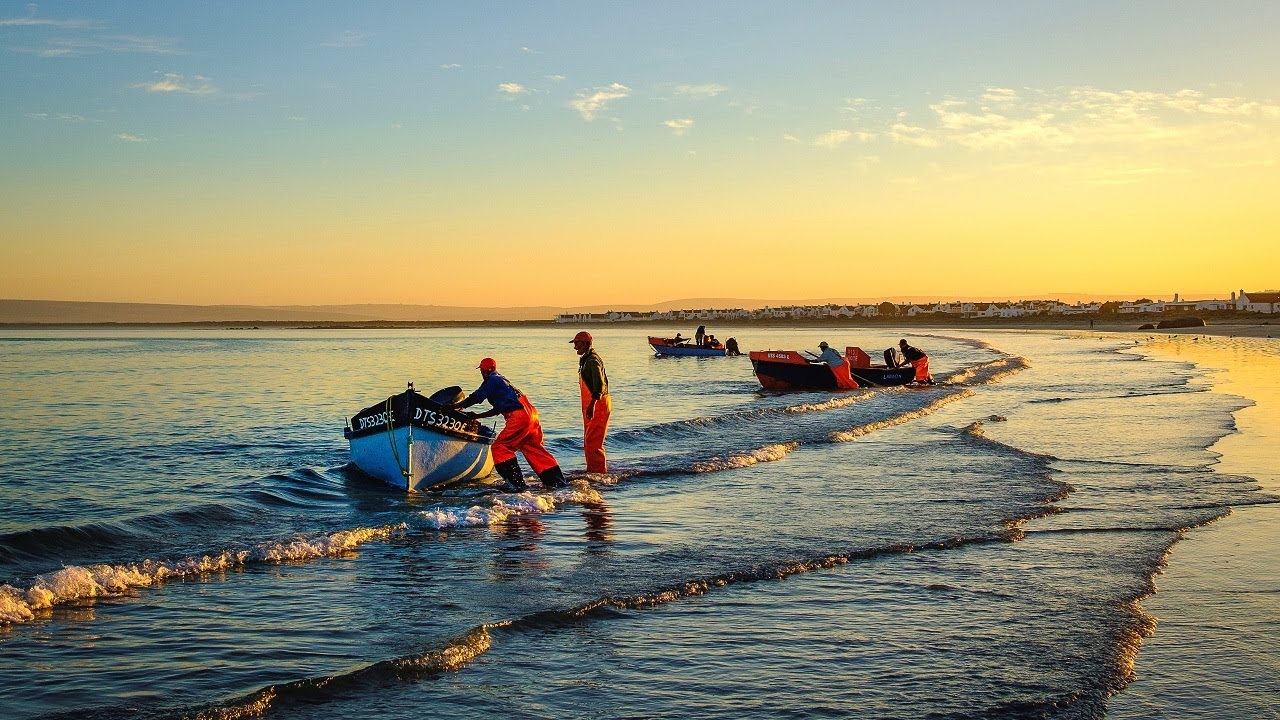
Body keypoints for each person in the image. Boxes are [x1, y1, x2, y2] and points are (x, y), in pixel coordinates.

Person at [447, 357, 567, 491]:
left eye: (481, 371)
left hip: (519, 417)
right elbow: (498, 409)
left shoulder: (492, 380)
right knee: (532, 448)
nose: (481, 374)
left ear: (484, 371)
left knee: (499, 447)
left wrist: (454, 407)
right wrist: (478, 416)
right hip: (531, 415)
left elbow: (476, 397)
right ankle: (557, 482)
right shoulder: (502, 380)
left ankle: (516, 485)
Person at [570, 331, 611, 473]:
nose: (575, 347)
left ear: (586, 344)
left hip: (598, 404)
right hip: (592, 404)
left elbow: (599, 385)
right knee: (589, 441)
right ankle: (593, 471)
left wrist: (592, 405)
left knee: (594, 442)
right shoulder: (586, 359)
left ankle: (599, 474)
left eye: (577, 344)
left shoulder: (593, 361)